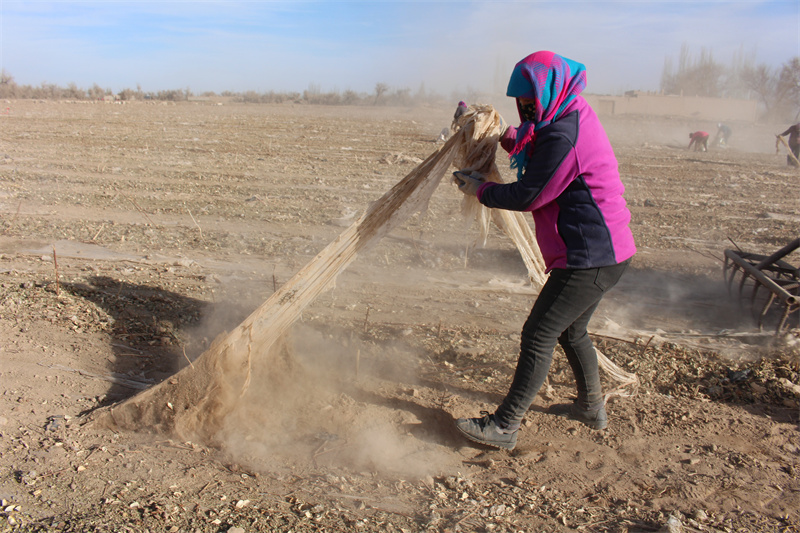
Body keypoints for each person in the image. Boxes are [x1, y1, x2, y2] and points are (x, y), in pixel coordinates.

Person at [451, 51, 636, 451]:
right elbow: (536, 148)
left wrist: (479, 189)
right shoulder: (567, 113)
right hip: (607, 252)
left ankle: (504, 426)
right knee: (572, 331)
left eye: (531, 100)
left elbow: (530, 193)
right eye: (520, 101)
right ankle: (591, 409)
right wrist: (498, 133)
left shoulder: (565, 134)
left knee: (539, 333)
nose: (525, 108)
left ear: (549, 91)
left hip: (590, 256)